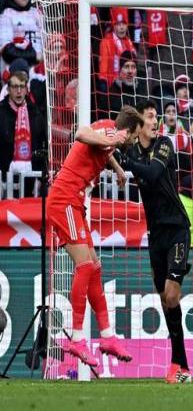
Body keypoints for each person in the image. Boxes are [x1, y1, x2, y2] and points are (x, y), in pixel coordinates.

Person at [46, 106, 142, 367]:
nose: (134, 142)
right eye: (134, 137)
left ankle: (107, 337)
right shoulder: (109, 134)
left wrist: (117, 169)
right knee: (85, 266)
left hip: (75, 203)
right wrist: (112, 140)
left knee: (95, 268)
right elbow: (81, 133)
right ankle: (77, 339)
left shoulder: (110, 132)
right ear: (127, 132)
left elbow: (104, 148)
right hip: (64, 200)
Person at [116, 100, 192, 384]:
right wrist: (118, 164)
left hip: (177, 228)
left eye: (156, 116)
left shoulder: (164, 144)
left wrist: (125, 163)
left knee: (172, 296)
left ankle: (178, 363)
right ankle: (181, 365)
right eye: (149, 117)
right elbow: (114, 154)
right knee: (164, 299)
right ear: (139, 124)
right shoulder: (132, 150)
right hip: (155, 234)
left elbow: (152, 173)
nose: (154, 121)